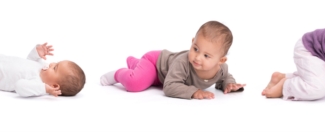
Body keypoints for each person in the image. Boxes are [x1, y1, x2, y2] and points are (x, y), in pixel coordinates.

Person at [100, 21, 245, 99]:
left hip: (162, 77)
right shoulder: (183, 62)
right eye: (195, 49)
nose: (197, 57)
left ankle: (135, 63)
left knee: (144, 78)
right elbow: (169, 87)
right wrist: (193, 92)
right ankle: (117, 74)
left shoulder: (222, 70)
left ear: (221, 60)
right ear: (193, 41)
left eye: (206, 56)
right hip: (155, 65)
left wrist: (229, 84)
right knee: (135, 83)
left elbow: (225, 78)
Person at [0, 42, 85, 97]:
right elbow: (30, 59)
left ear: (54, 85)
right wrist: (37, 52)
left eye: (55, 67)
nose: (52, 63)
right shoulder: (41, 66)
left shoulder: (36, 85)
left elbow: (19, 86)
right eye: (56, 62)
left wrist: (44, 89)